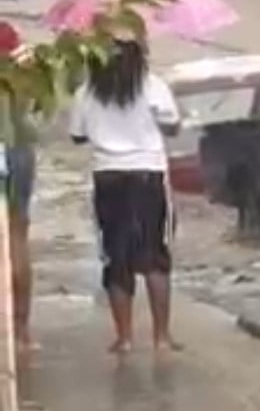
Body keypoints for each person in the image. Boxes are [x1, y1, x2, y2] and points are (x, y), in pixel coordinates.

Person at [69, 37, 183, 354]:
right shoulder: (153, 86)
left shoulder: (86, 92)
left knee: (116, 256)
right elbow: (173, 126)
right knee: (155, 255)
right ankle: (161, 337)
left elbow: (77, 136)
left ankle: (125, 338)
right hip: (149, 175)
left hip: (108, 177)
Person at [0, 21, 37, 353]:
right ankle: (21, 330)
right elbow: (31, 87)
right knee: (17, 235)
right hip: (16, 143)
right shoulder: (7, 32)